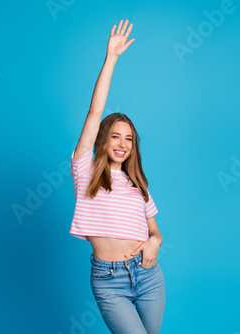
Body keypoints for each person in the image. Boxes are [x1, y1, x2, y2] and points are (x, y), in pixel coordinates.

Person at [69, 19, 166, 334]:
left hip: (149, 276)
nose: (122, 144)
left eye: (129, 139)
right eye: (115, 136)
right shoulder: (85, 171)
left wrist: (155, 243)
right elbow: (95, 113)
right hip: (109, 280)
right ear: (102, 140)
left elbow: (155, 231)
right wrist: (111, 58)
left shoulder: (139, 185)